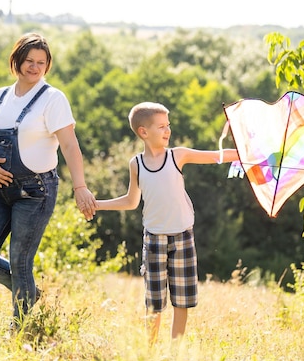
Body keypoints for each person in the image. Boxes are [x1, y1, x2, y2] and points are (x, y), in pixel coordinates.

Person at [0, 33, 97, 326]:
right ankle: (29, 293)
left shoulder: (53, 99)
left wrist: (80, 187)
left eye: (41, 62)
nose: (35, 67)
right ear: (16, 61)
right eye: (29, 61)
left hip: (35, 192)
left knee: (20, 262)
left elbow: (70, 146)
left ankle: (22, 328)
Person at [95, 102, 239, 343]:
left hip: (182, 236)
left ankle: (176, 351)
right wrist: (97, 204)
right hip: (153, 240)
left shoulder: (177, 155)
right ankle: (149, 351)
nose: (167, 131)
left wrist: (250, 153)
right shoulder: (136, 164)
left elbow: (217, 156)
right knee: (154, 302)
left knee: (182, 299)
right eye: (161, 126)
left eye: (168, 125)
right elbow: (131, 202)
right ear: (143, 132)